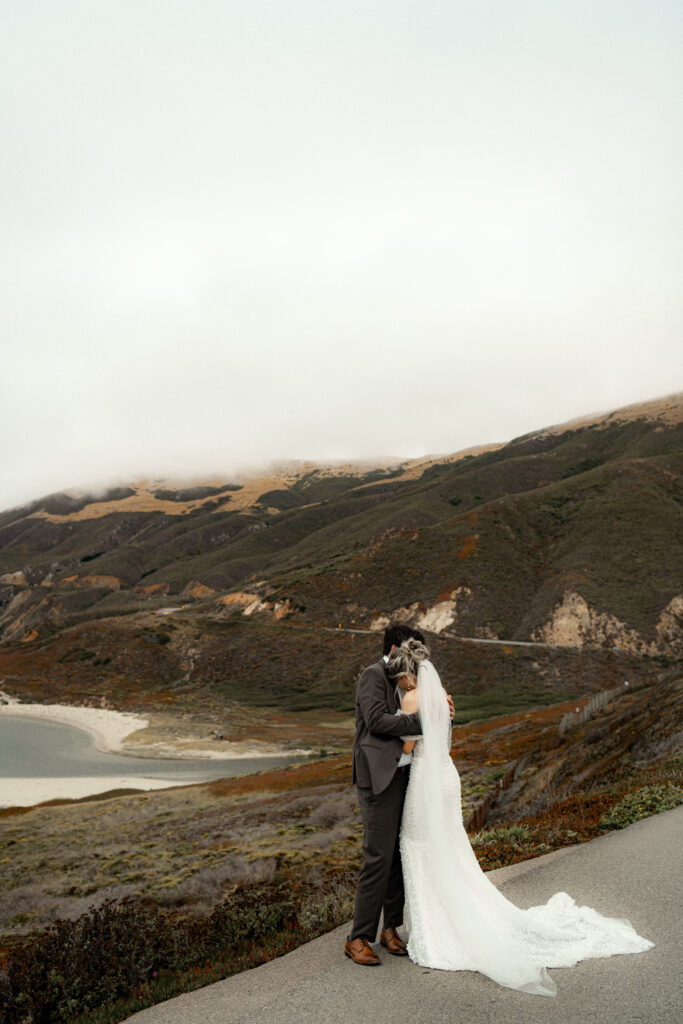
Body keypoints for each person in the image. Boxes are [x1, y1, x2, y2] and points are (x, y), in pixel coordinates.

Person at [387, 638, 655, 996]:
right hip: (446, 776)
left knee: (418, 845)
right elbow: (442, 733)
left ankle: (435, 929)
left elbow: (406, 745)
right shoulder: (443, 696)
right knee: (450, 848)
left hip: (425, 780)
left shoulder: (409, 699)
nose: (401, 683)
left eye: (401, 677)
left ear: (408, 674)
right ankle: (459, 915)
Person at [345, 624, 454, 966]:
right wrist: (422, 720)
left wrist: (441, 714)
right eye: (411, 652)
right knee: (378, 856)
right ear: (395, 648)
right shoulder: (373, 676)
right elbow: (377, 721)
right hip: (379, 777)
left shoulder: (412, 677)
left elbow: (429, 714)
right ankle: (357, 937)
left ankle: (389, 928)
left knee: (399, 854)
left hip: (409, 774)